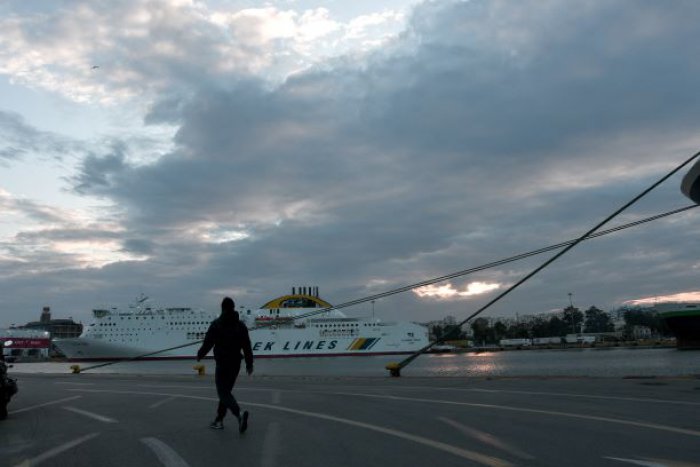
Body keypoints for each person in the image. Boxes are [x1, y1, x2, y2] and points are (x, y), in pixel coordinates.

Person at [197, 297, 254, 432]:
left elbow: (208, 343)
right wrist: (249, 364)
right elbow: (247, 346)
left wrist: (200, 355)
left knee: (223, 393)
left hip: (223, 363)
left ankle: (239, 415)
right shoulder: (241, 326)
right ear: (233, 308)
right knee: (226, 392)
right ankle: (219, 420)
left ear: (222, 308)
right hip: (236, 364)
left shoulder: (216, 324)